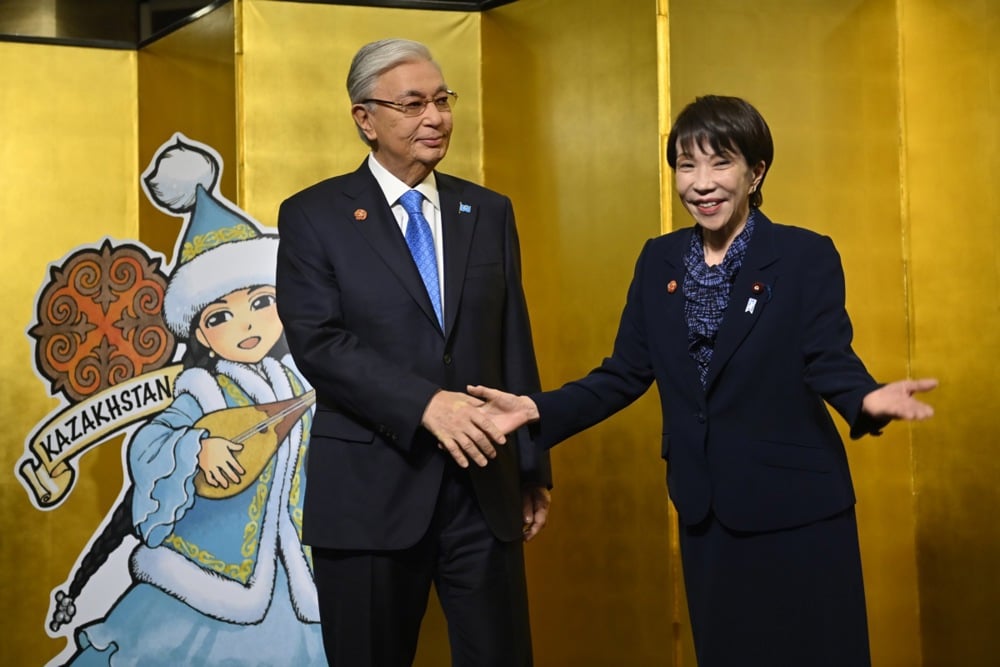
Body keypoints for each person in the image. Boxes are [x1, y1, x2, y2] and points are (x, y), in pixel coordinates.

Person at [470, 95, 937, 667]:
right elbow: (623, 373)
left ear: (755, 171)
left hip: (799, 509)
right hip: (706, 509)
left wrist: (867, 396)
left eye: (720, 163)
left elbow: (827, 358)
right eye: (686, 166)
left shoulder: (803, 255)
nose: (701, 183)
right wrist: (535, 409)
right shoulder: (659, 260)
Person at [274, 38, 552, 667]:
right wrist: (427, 405)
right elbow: (319, 342)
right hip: (371, 493)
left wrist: (532, 469)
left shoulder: (487, 210)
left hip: (484, 490)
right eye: (413, 104)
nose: (435, 117)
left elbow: (513, 340)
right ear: (364, 118)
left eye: (442, 100)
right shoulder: (314, 215)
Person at [63, 138, 325, 665]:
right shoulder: (205, 391)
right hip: (207, 579)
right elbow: (151, 443)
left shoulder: (304, 382)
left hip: (297, 577)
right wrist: (197, 447)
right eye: (220, 316)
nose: (245, 324)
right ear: (202, 334)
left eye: (260, 302)